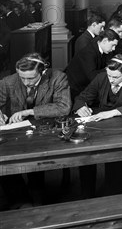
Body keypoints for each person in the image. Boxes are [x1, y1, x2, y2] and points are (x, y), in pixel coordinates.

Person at [0, 53, 72, 208]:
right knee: (6, 163)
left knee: (35, 164)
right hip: (16, 132)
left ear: (42, 72)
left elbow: (63, 107)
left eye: (31, 78)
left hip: (45, 130)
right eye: (22, 77)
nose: (26, 82)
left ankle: (38, 198)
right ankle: (22, 201)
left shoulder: (58, 78)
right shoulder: (8, 81)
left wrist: (29, 112)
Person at [73, 54, 122, 196]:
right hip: (99, 123)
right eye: (109, 75)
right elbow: (82, 97)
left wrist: (113, 112)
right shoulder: (102, 77)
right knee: (87, 155)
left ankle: (113, 193)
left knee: (113, 158)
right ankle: (87, 195)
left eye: (115, 77)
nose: (111, 80)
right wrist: (80, 107)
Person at [65, 29, 120, 99]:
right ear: (105, 41)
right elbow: (92, 76)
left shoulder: (101, 48)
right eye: (113, 45)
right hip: (77, 90)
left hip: (87, 85)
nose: (114, 48)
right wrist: (109, 69)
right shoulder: (89, 52)